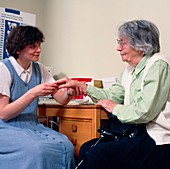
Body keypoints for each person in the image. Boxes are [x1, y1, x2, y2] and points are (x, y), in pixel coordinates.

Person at [56, 19, 170, 169]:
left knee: (98, 155)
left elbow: (145, 111)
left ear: (141, 45)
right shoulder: (129, 70)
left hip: (155, 137)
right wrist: (83, 87)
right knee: (86, 148)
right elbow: (113, 96)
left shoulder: (158, 65)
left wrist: (115, 108)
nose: (118, 48)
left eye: (122, 43)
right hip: (134, 131)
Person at [0, 25, 76, 169]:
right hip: (6, 127)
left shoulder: (39, 68)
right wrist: (33, 92)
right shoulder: (3, 69)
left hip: (32, 125)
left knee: (67, 146)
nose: (39, 50)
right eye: (33, 46)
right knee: (37, 150)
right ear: (18, 49)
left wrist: (69, 92)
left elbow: (61, 99)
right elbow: (3, 114)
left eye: (39, 45)